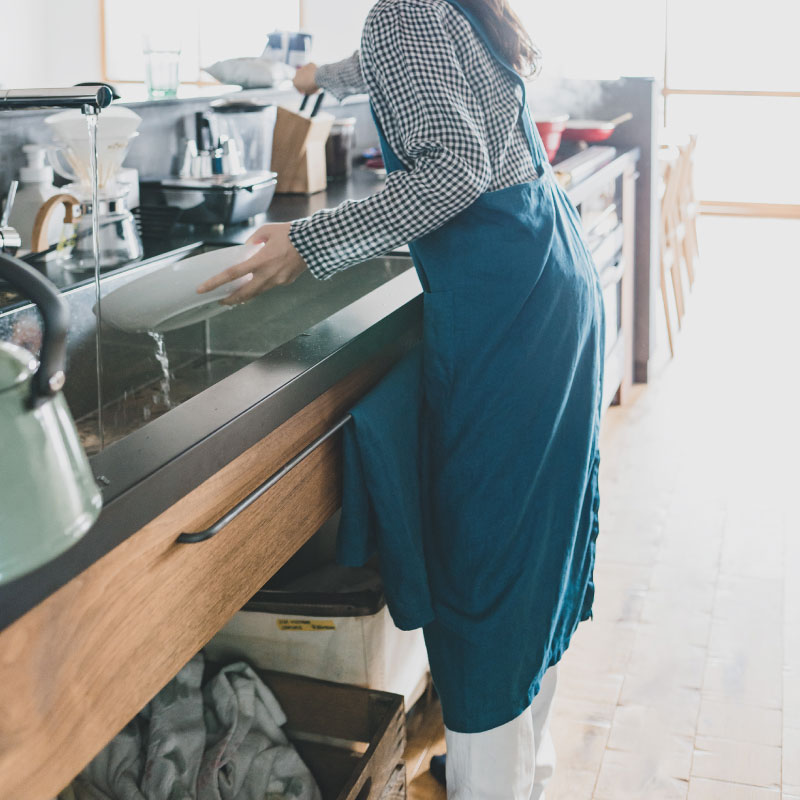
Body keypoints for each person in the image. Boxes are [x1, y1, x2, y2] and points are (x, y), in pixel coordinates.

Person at [199, 2, 604, 798]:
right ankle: (527, 773)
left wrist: (306, 245)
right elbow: (406, 68)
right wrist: (314, 75)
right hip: (547, 273)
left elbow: (454, 170)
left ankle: (495, 782)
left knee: (485, 568)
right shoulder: (431, 9)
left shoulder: (403, 11)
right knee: (533, 552)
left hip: (506, 303)